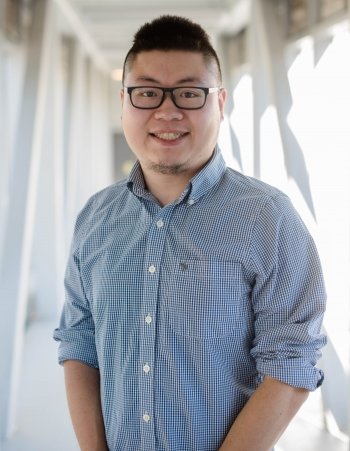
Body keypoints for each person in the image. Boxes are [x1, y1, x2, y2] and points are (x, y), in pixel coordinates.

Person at [53, 15, 327, 451]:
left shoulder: (269, 219)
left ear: (220, 102)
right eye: (146, 93)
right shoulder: (95, 217)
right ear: (122, 102)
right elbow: (79, 342)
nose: (167, 110)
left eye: (188, 93)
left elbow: (290, 362)